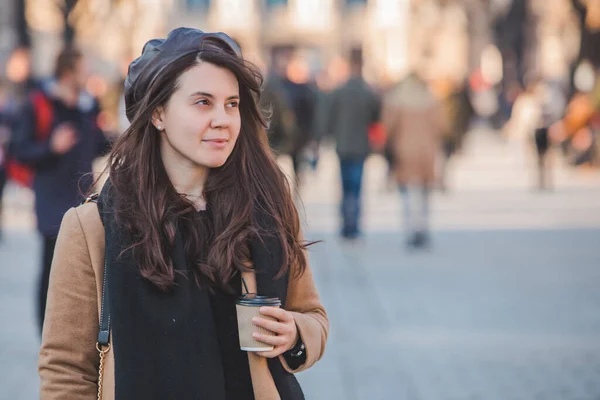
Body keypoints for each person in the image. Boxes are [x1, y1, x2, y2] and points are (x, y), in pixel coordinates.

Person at [39, 28, 328, 400]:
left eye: (232, 104)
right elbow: (65, 370)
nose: (223, 119)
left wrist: (295, 335)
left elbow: (312, 316)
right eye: (203, 102)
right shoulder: (91, 227)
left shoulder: (267, 208)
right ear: (158, 112)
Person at [11, 47, 111, 333]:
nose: (89, 74)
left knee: (81, 268)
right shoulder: (40, 103)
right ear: (69, 72)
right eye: (84, 69)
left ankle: (76, 328)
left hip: (82, 199)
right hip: (51, 199)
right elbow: (20, 149)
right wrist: (50, 147)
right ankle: (47, 330)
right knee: (52, 267)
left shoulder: (87, 105)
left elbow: (98, 144)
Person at [382, 73, 446, 249]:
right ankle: (423, 227)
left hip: (404, 150)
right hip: (427, 150)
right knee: (425, 192)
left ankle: (411, 227)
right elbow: (441, 125)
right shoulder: (431, 99)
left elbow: (388, 126)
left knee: (406, 191)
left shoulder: (396, 99)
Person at [323, 49, 381, 239]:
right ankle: (353, 225)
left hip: (343, 145)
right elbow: (376, 119)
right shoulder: (368, 92)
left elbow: (328, 118)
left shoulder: (339, 91)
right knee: (356, 188)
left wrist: (326, 136)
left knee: (345, 186)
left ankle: (345, 224)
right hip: (361, 146)